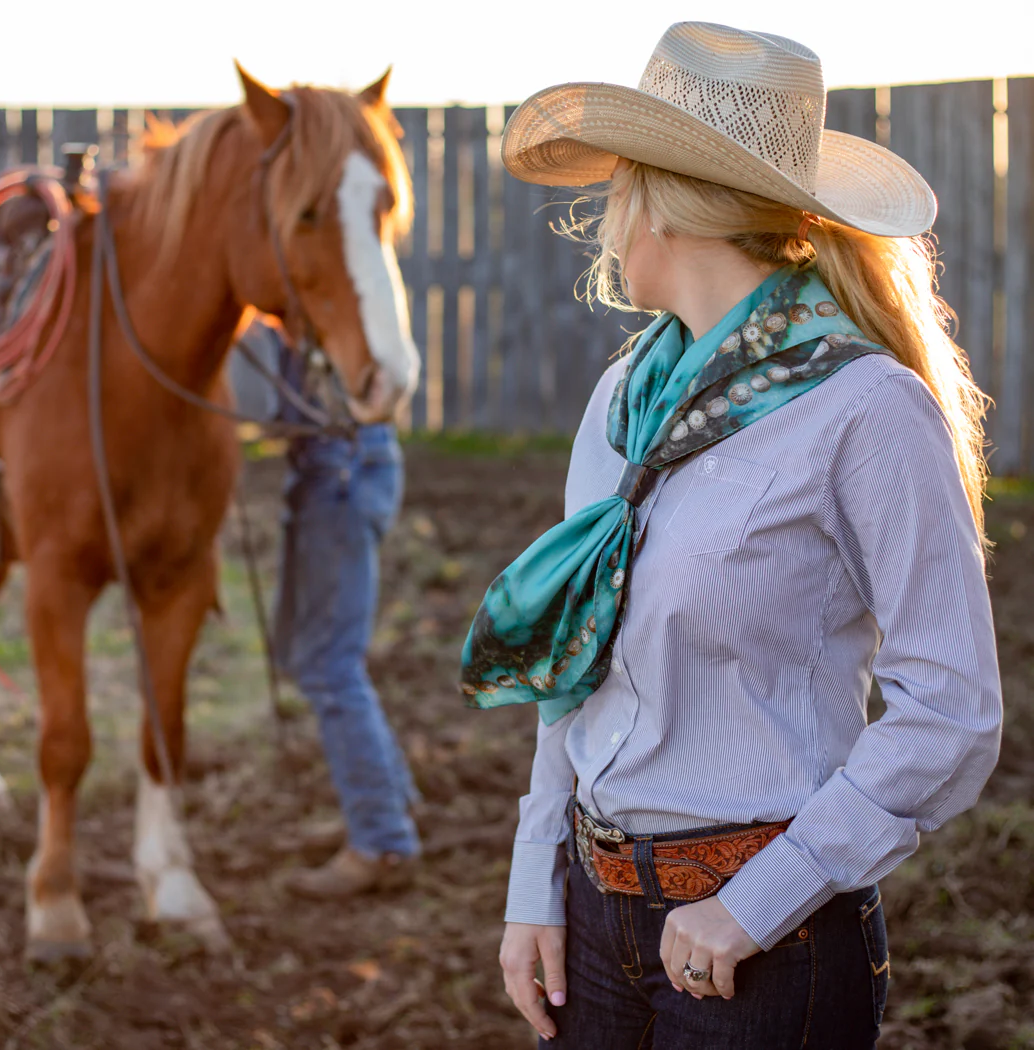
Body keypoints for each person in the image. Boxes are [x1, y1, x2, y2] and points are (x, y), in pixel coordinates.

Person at [459, 22, 1002, 1048]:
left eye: (620, 179)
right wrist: (538, 881)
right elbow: (574, 663)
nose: (606, 207)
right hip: (592, 917)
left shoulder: (866, 408)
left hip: (765, 948)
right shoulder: (626, 395)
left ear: (658, 197)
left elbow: (954, 709)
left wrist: (760, 900)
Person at [234, 316, 421, 898]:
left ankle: (383, 840)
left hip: (338, 475)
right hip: (341, 468)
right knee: (307, 652)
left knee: (330, 665)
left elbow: (257, 404)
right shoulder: (330, 291)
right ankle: (391, 805)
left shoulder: (310, 295)